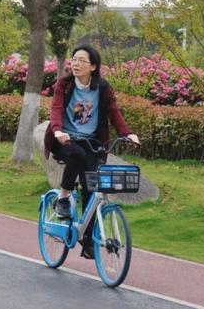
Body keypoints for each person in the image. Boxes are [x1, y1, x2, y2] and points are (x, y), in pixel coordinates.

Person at [44, 44, 139, 259]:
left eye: (81, 61)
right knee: (75, 155)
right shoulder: (65, 84)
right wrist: (58, 131)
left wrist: (127, 133)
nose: (75, 64)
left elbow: (114, 111)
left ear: (93, 66)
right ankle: (63, 197)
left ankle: (87, 241)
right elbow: (56, 109)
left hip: (92, 142)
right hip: (65, 139)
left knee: (92, 188)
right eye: (74, 59)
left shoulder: (102, 88)